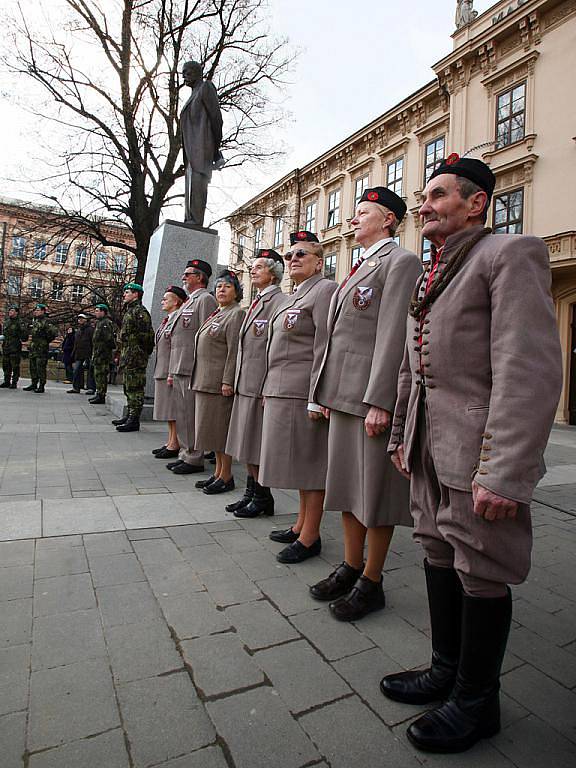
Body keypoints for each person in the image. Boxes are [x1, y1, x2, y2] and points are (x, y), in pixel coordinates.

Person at [380, 155, 562, 753]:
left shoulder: (508, 255)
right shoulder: (432, 270)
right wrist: (404, 434)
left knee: (481, 569)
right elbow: (415, 367)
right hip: (430, 447)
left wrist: (506, 473)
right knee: (436, 550)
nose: (423, 204)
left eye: (436, 194)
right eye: (423, 195)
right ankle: (444, 670)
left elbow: (526, 370)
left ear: (476, 202)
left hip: (478, 451)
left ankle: (478, 700)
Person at [310, 187, 423, 621]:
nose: (352, 220)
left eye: (362, 213)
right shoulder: (360, 267)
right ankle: (351, 565)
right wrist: (321, 394)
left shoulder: (401, 261)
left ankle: (372, 580)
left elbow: (393, 335)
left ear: (389, 220)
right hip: (342, 394)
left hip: (368, 399)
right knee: (345, 486)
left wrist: (381, 400)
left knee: (373, 493)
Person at [259, 231, 338, 563]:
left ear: (319, 262)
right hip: (281, 389)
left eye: (301, 255)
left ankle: (311, 536)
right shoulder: (293, 296)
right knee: (298, 465)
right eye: (290, 255)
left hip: (302, 391)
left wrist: (317, 395)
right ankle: (300, 524)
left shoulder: (324, 290)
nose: (292, 259)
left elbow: (324, 345)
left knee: (310, 463)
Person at [225, 249, 287, 517]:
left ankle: (262, 496)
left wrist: (267, 385)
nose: (253, 271)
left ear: (273, 274)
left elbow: (276, 348)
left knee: (255, 444)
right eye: (254, 267)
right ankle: (251, 492)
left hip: (260, 385)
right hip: (245, 384)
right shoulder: (256, 301)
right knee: (245, 444)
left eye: (259, 267)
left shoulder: (280, 301)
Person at [191, 270, 245, 494]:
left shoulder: (236, 314)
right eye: (219, 286)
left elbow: (234, 351)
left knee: (221, 432)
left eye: (227, 286)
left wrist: (227, 380)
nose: (221, 290)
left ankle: (226, 475)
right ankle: (217, 473)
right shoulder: (216, 313)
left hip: (218, 384)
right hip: (204, 381)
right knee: (211, 432)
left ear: (237, 292)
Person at [166, 259, 217, 475]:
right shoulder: (188, 301)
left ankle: (194, 457)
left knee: (190, 414)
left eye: (188, 274)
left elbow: (208, 338)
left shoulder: (205, 300)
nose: (183, 277)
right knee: (182, 414)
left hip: (192, 366)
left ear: (200, 277)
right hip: (180, 365)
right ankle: (186, 453)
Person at [180, 60, 223, 226]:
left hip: (202, 148)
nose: (184, 76)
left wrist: (215, 149)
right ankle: (190, 219)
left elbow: (216, 119)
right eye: (183, 73)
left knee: (198, 184)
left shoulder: (206, 87)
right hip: (191, 152)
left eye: (187, 72)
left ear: (198, 72)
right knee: (191, 187)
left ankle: (195, 221)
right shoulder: (193, 94)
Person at [112, 283, 155, 433]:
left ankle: (134, 419)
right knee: (128, 387)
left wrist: (140, 353)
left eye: (127, 292)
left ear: (136, 294)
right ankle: (130, 415)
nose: (124, 295)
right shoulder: (130, 311)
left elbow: (148, 337)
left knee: (135, 388)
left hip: (136, 357)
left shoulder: (140, 312)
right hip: (128, 355)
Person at [151, 285, 187, 459]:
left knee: (173, 410)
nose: (163, 301)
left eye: (167, 298)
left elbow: (177, 347)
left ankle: (175, 443)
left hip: (170, 370)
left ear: (177, 301)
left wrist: (172, 371)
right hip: (162, 369)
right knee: (167, 410)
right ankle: (170, 440)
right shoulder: (168, 319)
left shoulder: (178, 319)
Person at [23, 304, 57, 394]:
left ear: (43, 311)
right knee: (32, 367)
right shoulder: (35, 321)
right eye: (36, 310)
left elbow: (53, 333)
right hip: (34, 348)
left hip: (41, 349)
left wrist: (45, 341)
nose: (36, 312)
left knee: (40, 367)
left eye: (38, 310)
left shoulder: (47, 322)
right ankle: (33, 383)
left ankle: (41, 385)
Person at [88, 304, 116, 404]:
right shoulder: (99, 323)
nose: (95, 312)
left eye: (97, 310)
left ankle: (101, 395)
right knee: (98, 375)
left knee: (101, 375)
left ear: (103, 312)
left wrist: (103, 350)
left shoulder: (106, 323)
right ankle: (99, 393)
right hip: (98, 354)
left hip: (103, 355)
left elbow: (109, 339)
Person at [1, 306, 28, 389]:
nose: (10, 312)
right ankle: (6, 381)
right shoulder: (7, 322)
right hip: (6, 347)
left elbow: (24, 337)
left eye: (12, 311)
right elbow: (5, 334)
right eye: (9, 310)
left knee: (15, 366)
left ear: (16, 312)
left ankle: (14, 382)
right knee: (6, 365)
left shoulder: (20, 322)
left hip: (15, 347)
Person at [68, 314, 94, 394]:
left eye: (82, 318)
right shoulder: (78, 331)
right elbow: (76, 343)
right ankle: (77, 387)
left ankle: (91, 387)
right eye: (79, 319)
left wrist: (92, 353)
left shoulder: (90, 330)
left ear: (86, 319)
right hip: (79, 353)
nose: (80, 320)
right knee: (76, 370)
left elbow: (92, 342)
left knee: (90, 371)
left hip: (88, 353)